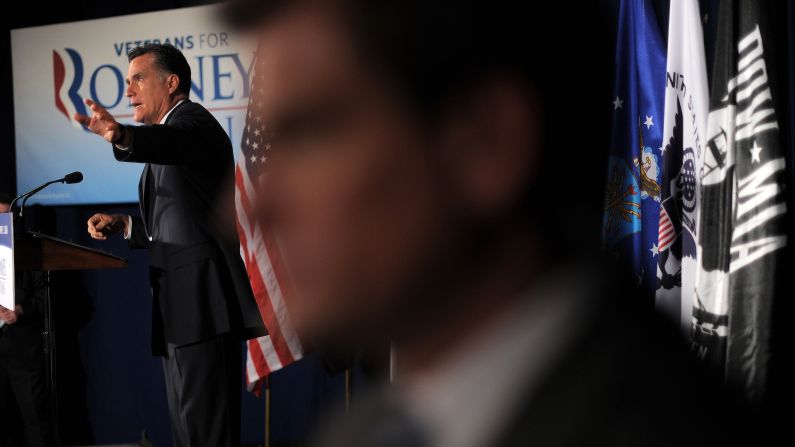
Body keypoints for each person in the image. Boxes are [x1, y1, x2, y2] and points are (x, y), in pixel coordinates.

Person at [228, 1, 763, 446]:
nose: (256, 210)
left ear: (485, 143)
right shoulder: (364, 432)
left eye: (311, 136)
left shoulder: (664, 427)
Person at [73, 43, 264, 446]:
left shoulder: (193, 124)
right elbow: (179, 223)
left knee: (207, 433)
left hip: (203, 305)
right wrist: (125, 224)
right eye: (127, 82)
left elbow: (168, 144)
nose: (128, 92)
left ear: (172, 82)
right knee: (187, 432)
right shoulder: (172, 136)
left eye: (138, 79)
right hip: (180, 309)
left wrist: (121, 134)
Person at [0, 192, 50, 447]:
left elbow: (45, 300)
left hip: (23, 351)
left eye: (4, 218)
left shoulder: (30, 252)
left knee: (35, 424)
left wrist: (19, 310)